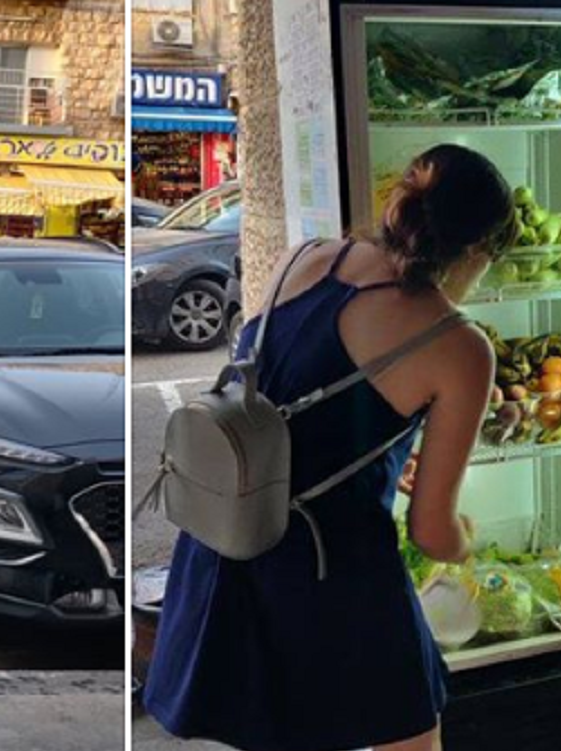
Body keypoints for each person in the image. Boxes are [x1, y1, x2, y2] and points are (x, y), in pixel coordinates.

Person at [142, 144, 518, 751]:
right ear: (477, 251)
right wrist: (465, 542)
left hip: (227, 544)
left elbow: (281, 396)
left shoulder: (304, 257)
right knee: (411, 739)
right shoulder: (459, 345)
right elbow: (431, 531)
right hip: (332, 569)